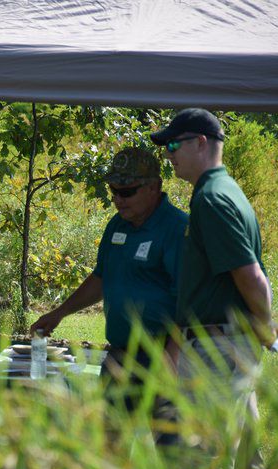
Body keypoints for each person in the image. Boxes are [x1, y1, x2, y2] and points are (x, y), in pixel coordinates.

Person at [150, 107, 278, 469]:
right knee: (246, 460)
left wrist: (264, 324)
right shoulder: (222, 192)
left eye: (173, 146)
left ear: (201, 143)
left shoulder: (212, 199)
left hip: (218, 349)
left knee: (205, 459)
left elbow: (251, 276)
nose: (169, 156)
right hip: (224, 342)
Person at [30, 147, 188, 439]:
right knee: (109, 449)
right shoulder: (117, 225)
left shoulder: (177, 229)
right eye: (113, 190)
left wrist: (173, 357)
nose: (117, 198)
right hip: (120, 355)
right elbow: (102, 278)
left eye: (126, 191)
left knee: (171, 454)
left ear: (154, 187)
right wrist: (59, 313)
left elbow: (189, 300)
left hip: (162, 356)